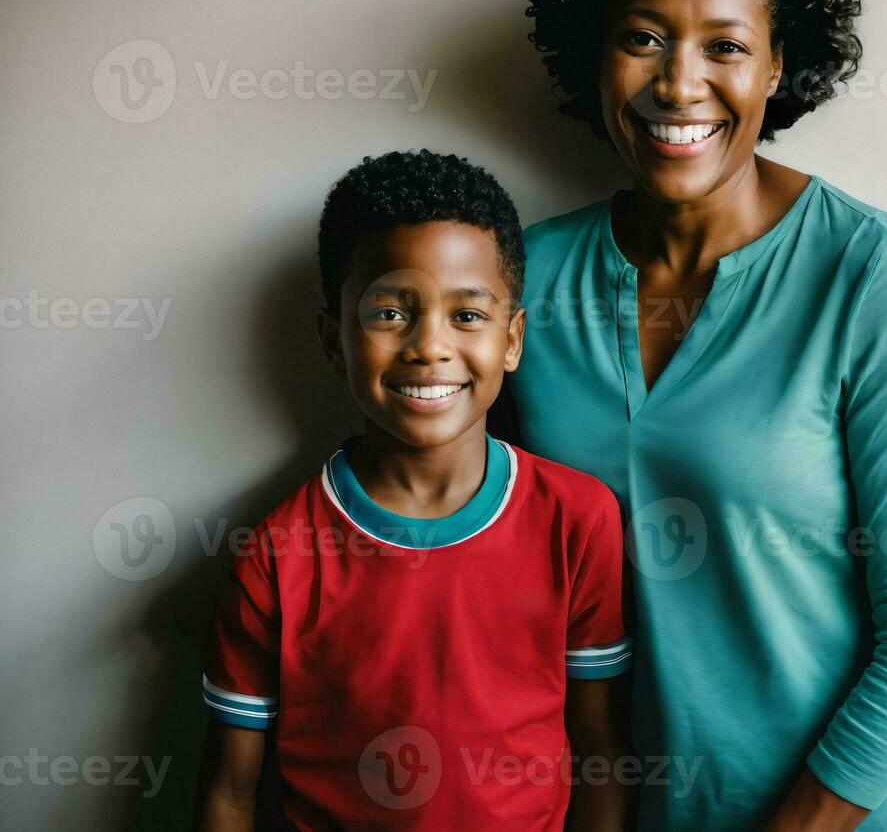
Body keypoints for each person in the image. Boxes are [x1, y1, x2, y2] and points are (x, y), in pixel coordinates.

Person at [503, 0, 887, 831]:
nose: (679, 82)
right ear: (593, 57)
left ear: (774, 64)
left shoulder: (867, 271)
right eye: (642, 38)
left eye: (724, 45)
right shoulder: (523, 282)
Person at [194, 150, 632, 831]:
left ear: (512, 340)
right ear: (333, 340)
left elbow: (599, 749)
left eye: (467, 316)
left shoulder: (576, 519)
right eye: (391, 314)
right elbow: (229, 790)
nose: (430, 346)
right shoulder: (277, 555)